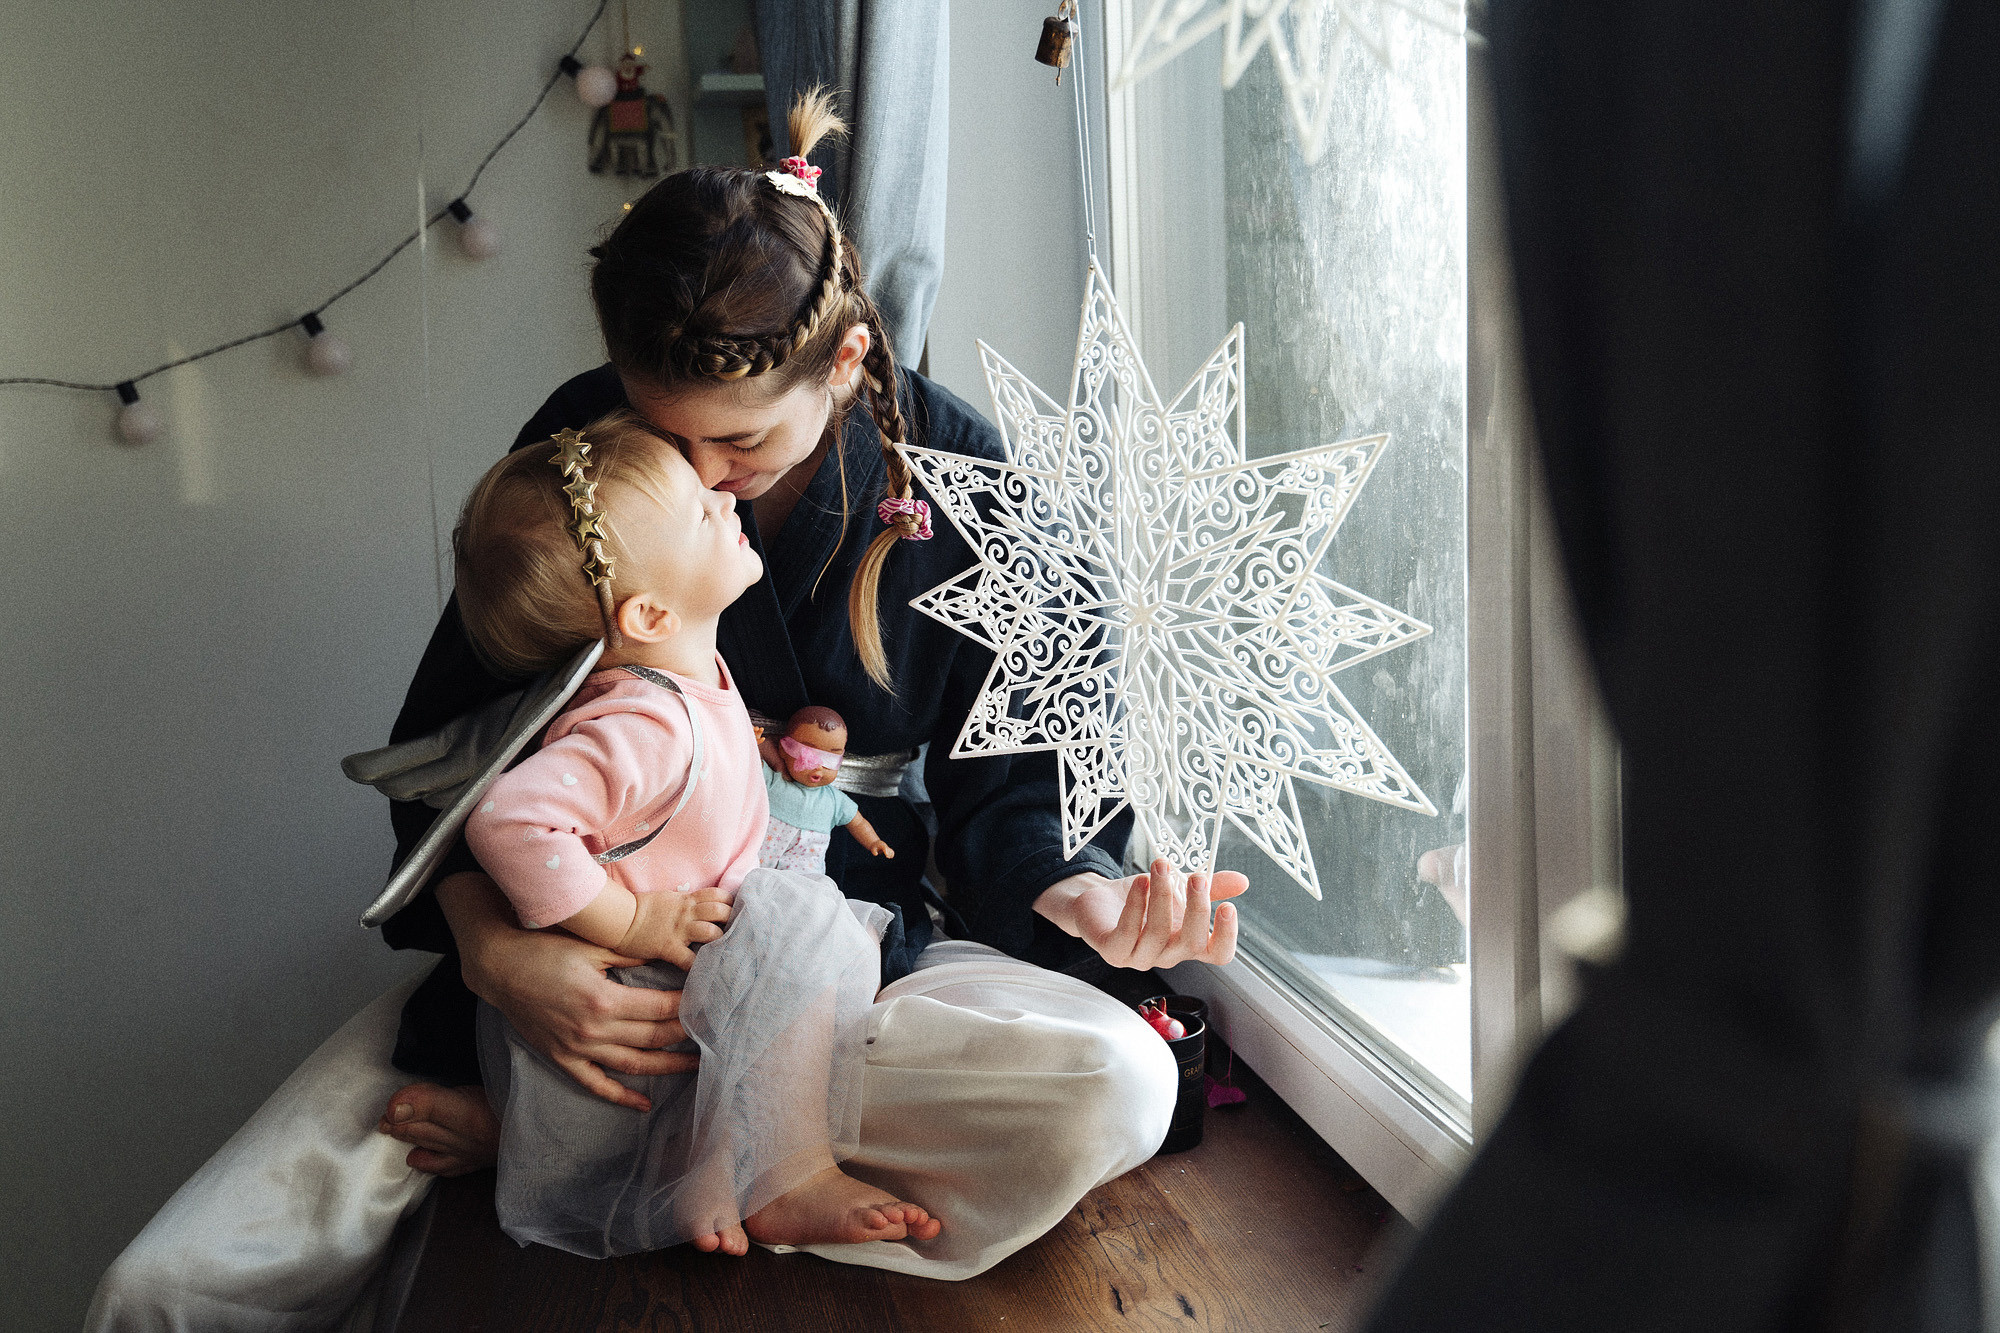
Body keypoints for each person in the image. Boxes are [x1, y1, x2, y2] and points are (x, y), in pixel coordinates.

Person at [88, 91, 1242, 1331]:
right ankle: (587, 1134)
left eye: (735, 444)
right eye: (663, 436)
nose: (703, 481)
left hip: (843, 970)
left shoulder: (969, 488)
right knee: (162, 1287)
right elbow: (453, 766)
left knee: (1115, 1080)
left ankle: (648, 1157)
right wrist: (501, 953)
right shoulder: (584, 446)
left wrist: (1076, 893)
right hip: (579, 982)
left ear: (843, 361)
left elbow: (1016, 799)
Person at [454, 412, 937, 1257]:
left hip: (688, 957)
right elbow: (509, 817)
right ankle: (789, 1175)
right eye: (696, 511)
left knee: (815, 938)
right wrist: (626, 920)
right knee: (810, 931)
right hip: (644, 969)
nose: (722, 497)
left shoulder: (685, 681)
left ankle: (706, 1159)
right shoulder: (643, 720)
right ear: (645, 611)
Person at [758, 706, 895, 874]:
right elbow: (750, 767)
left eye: (830, 758)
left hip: (803, 869)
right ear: (783, 749)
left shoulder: (835, 800)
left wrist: (874, 841)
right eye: (808, 755)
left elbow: (858, 822)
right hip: (759, 855)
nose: (819, 767)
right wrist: (755, 745)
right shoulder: (774, 781)